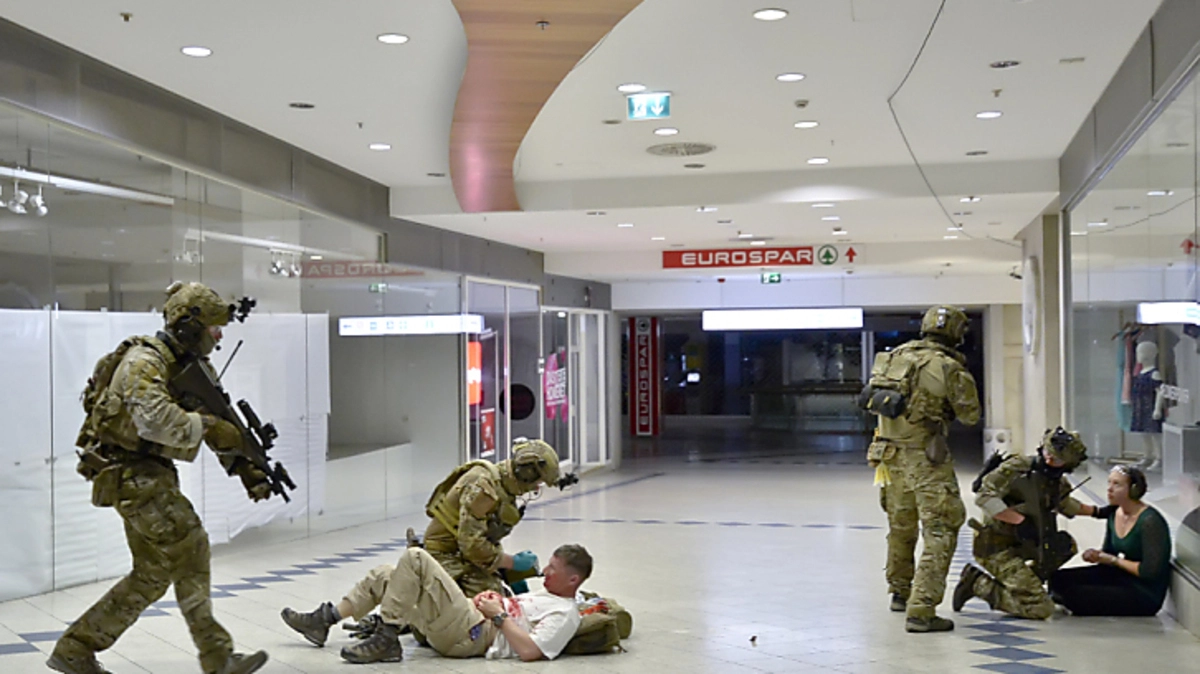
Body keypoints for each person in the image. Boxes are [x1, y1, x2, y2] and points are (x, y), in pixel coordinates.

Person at [48, 282, 273, 674]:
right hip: (131, 473)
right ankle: (218, 657)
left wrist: (245, 467)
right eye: (214, 328)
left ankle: (75, 649)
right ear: (189, 326)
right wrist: (209, 426)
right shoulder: (145, 362)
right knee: (191, 546)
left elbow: (213, 417)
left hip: (149, 475)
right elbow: (156, 420)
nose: (219, 336)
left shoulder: (188, 363)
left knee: (151, 574)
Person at [863, 305, 981, 633]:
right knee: (942, 527)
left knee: (901, 526)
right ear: (956, 332)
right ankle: (922, 609)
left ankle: (900, 592)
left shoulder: (892, 357)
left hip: (888, 454)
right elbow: (970, 415)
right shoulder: (948, 366)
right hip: (925, 457)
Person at [280, 544, 591, 664]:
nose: (545, 571)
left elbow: (531, 651)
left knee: (416, 558)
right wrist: (491, 600)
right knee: (387, 575)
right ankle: (325, 620)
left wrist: (498, 617)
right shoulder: (546, 595)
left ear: (573, 579)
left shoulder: (565, 613)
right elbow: (514, 612)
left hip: (474, 634)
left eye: (553, 569)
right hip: (468, 618)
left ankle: (386, 638)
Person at [953, 428, 1107, 619]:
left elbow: (1064, 503)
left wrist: (1099, 512)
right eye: (1048, 453)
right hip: (997, 548)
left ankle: (1024, 588)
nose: (1049, 460)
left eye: (1057, 460)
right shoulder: (1017, 468)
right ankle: (977, 584)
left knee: (1064, 546)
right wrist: (1019, 521)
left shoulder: (1054, 480)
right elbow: (984, 497)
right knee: (1041, 609)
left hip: (1028, 543)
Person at [420, 438, 562, 596]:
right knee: (490, 599)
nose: (535, 489)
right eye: (538, 482)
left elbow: (484, 537)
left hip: (462, 553)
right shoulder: (482, 486)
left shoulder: (502, 486)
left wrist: (506, 568)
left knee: (506, 599)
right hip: (444, 556)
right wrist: (511, 562)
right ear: (527, 473)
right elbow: (471, 545)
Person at [1048, 465, 1172, 616]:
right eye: (1109, 483)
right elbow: (1108, 553)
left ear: (1133, 490)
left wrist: (1113, 561)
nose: (1109, 489)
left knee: (1076, 594)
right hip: (1119, 576)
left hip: (1143, 591)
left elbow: (1149, 571)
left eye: (1117, 484)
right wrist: (1096, 555)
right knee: (1058, 579)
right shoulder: (1115, 513)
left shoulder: (1150, 521)